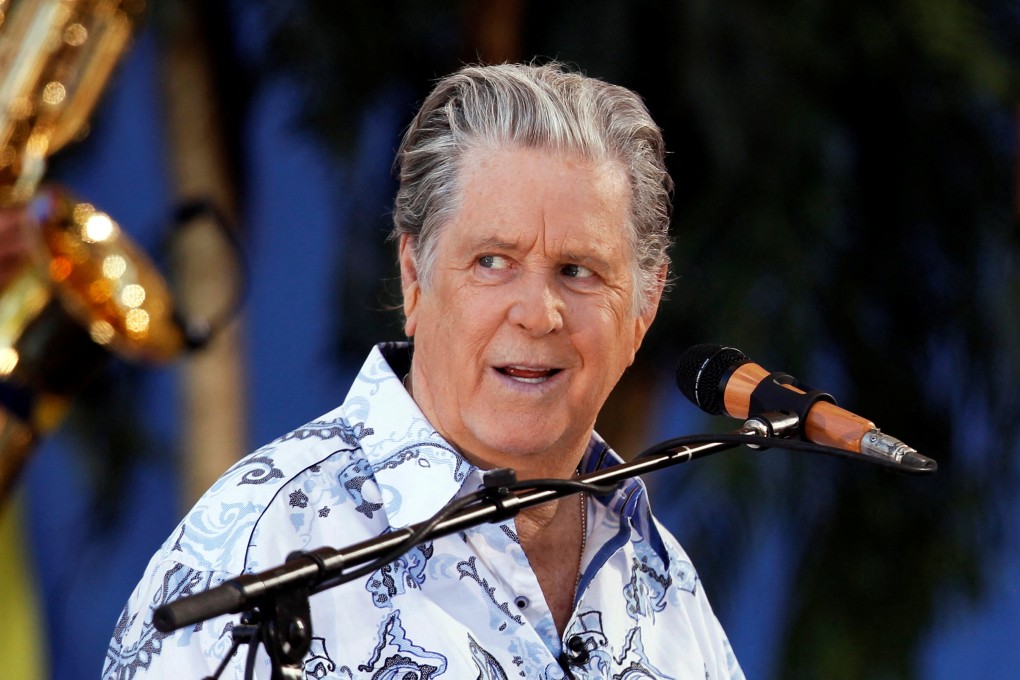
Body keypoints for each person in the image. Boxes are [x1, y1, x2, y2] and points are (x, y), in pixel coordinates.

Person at [104, 62, 744, 680]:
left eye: (578, 271)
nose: (537, 313)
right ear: (415, 277)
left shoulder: (664, 577)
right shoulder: (258, 549)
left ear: (644, 307)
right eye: (493, 261)